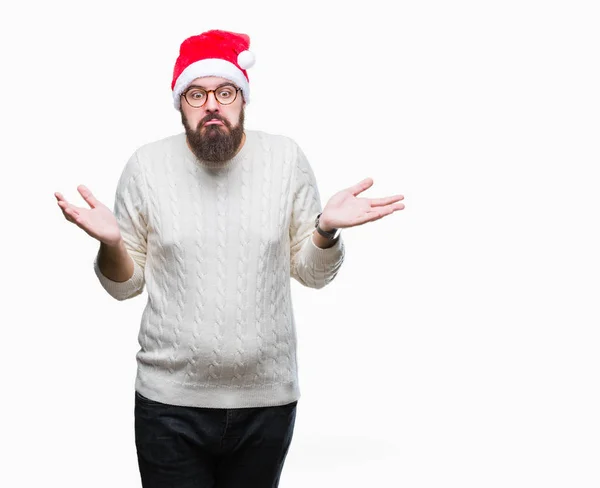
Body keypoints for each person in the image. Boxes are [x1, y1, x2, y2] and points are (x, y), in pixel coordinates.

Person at [54, 29, 405, 488]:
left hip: (266, 404)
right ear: (181, 104)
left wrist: (324, 229)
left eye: (225, 91)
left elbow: (311, 274)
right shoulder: (146, 167)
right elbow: (125, 286)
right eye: (196, 94)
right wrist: (112, 244)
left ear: (243, 99)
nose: (212, 105)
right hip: (169, 405)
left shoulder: (284, 159)